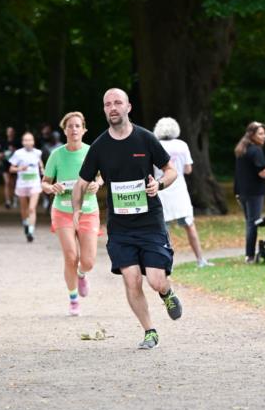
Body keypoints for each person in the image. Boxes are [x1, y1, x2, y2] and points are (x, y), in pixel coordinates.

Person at [71, 89, 182, 349]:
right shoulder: (99, 146)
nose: (113, 107)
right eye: (107, 104)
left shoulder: (145, 138)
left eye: (117, 102)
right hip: (121, 228)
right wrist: (76, 210)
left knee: (155, 280)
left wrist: (160, 185)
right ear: (104, 110)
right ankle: (150, 331)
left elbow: (171, 170)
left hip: (150, 223)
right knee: (131, 279)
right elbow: (81, 182)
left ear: (128, 107)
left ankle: (166, 292)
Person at [42, 112, 102, 315]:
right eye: (70, 126)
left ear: (84, 130)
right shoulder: (57, 154)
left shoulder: (92, 152)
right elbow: (45, 182)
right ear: (65, 130)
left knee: (88, 261)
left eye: (78, 126)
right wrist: (52, 188)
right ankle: (73, 298)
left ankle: (82, 274)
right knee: (70, 256)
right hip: (63, 210)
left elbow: (102, 177)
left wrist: (96, 184)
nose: (74, 129)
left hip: (88, 210)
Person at [153, 117, 213, 268]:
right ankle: (200, 259)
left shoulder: (155, 145)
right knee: (189, 225)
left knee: (164, 229)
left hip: (162, 188)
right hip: (179, 189)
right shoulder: (182, 145)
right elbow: (188, 169)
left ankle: (168, 263)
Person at [234, 121, 265, 263]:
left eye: (264, 133)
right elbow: (263, 173)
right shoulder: (256, 150)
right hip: (254, 192)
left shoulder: (242, 149)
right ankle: (250, 255)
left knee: (249, 222)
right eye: (260, 133)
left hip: (242, 192)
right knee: (253, 223)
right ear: (252, 134)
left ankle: (249, 254)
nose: (264, 136)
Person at [8, 131, 43, 243]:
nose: (28, 142)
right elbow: (11, 169)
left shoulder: (38, 153)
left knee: (32, 208)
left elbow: (40, 165)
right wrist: (19, 169)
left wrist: (43, 170)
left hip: (34, 184)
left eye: (30, 140)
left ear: (33, 142)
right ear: (23, 142)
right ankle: (25, 224)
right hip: (22, 184)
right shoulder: (18, 153)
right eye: (26, 140)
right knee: (24, 209)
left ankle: (30, 231)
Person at [0, 126, 21, 209]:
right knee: (7, 182)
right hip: (5, 164)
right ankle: (7, 201)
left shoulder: (17, 142)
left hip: (14, 165)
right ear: (6, 133)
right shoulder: (3, 142)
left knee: (14, 183)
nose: (10, 133)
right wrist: (2, 155)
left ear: (13, 133)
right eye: (8, 131)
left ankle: (15, 199)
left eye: (11, 131)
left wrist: (14, 150)